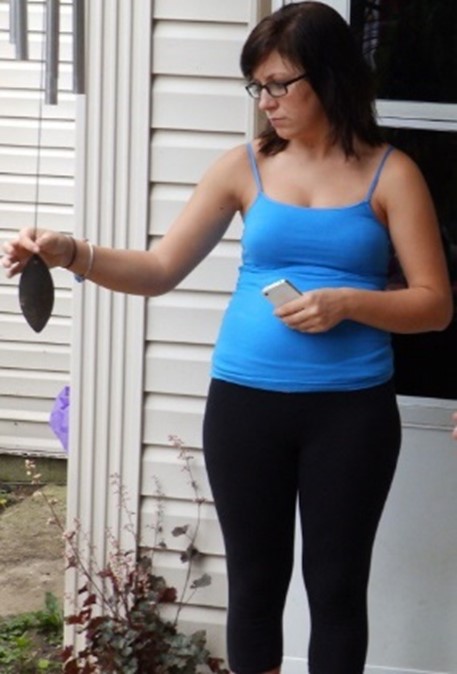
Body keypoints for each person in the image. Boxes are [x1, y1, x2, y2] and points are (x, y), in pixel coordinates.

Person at [2, 3, 452, 673]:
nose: (265, 101)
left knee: (335, 589)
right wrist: (71, 252)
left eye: (279, 84)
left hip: (350, 413)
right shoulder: (242, 167)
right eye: (257, 86)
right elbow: (159, 269)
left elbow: (434, 306)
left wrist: (348, 303)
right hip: (245, 407)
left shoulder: (393, 174)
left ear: (329, 77)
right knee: (254, 586)